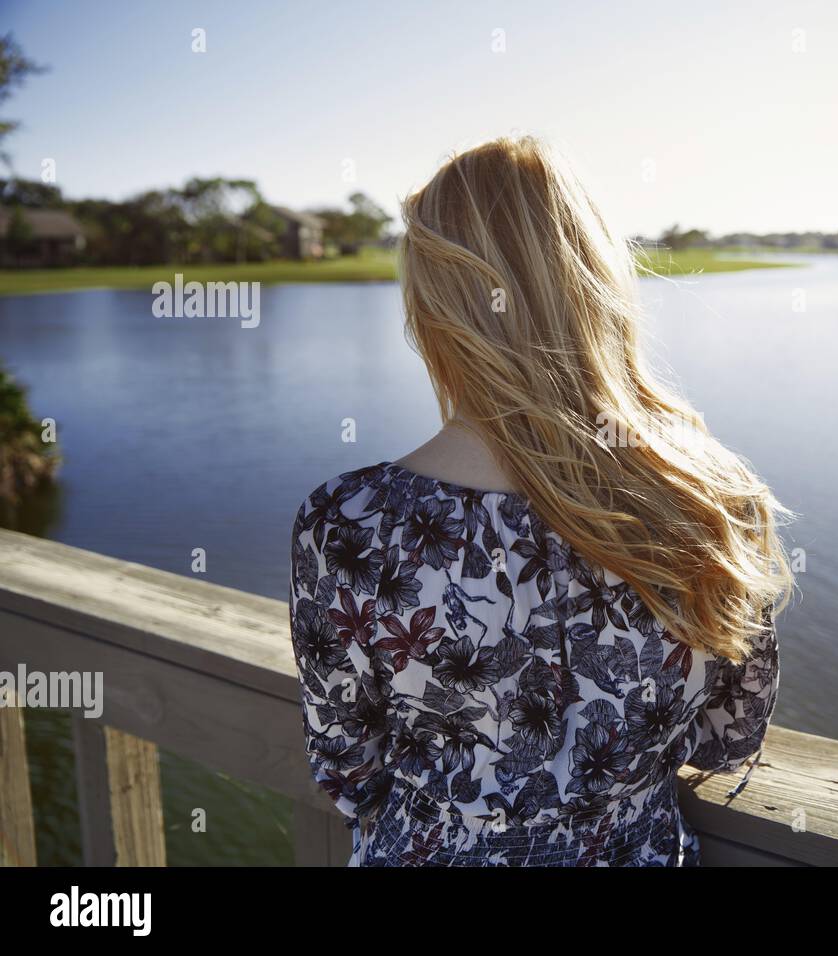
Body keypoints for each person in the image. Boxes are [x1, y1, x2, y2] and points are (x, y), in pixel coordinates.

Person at [289, 136, 792, 866]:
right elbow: (727, 736)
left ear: (432, 311)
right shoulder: (712, 500)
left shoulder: (349, 524)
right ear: (600, 287)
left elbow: (348, 766)